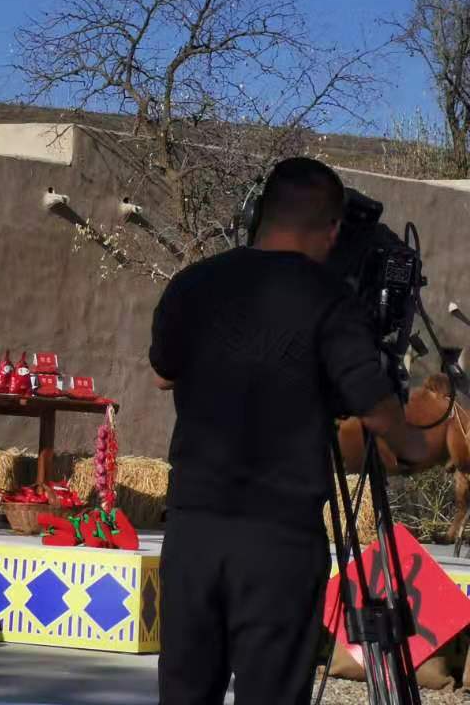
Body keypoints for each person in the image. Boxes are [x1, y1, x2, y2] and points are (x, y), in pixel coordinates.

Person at [150, 157, 432, 705]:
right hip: (278, 542)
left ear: (259, 214)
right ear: (332, 230)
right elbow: (374, 409)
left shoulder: (192, 284)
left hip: (192, 531)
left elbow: (163, 373)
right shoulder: (330, 300)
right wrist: (417, 446)